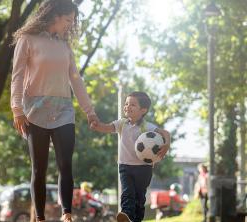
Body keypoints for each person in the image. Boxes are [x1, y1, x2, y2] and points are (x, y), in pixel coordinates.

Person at [10, 1, 99, 221]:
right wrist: (16, 108)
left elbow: (76, 80)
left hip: (63, 111)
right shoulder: (27, 39)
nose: (70, 25)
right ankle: (39, 218)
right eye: (68, 20)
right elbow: (18, 76)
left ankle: (66, 214)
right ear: (55, 16)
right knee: (39, 169)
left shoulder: (64, 47)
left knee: (65, 163)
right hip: (35, 111)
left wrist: (90, 111)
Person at [91, 91, 171, 222]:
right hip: (125, 166)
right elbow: (107, 128)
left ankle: (135, 219)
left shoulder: (147, 127)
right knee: (127, 193)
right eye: (126, 103)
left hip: (143, 168)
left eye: (132, 104)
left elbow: (165, 133)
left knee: (139, 198)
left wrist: (166, 144)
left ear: (143, 110)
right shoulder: (121, 124)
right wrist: (97, 126)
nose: (127, 106)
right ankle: (126, 215)